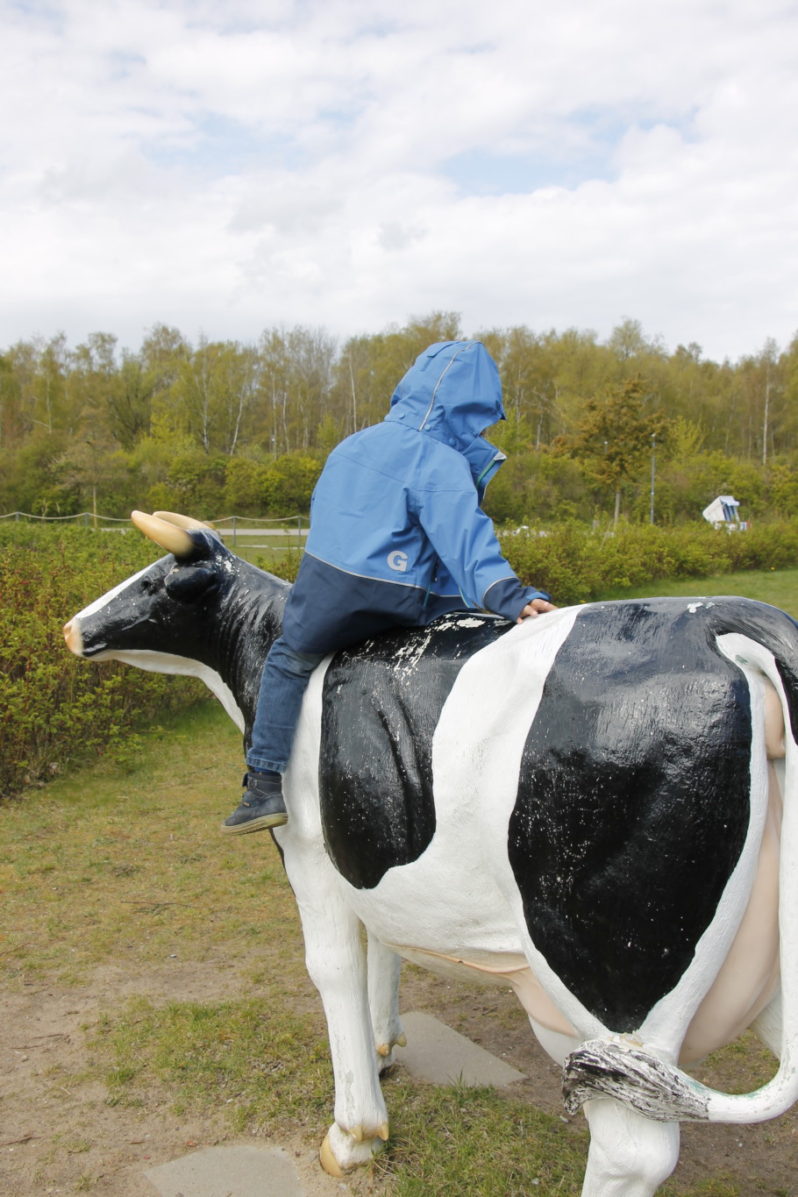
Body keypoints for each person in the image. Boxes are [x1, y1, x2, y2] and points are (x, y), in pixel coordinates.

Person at [222, 340, 555, 834]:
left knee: (288, 658)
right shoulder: (441, 461)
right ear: (472, 410)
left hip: (329, 592)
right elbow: (464, 543)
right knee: (475, 629)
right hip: (405, 598)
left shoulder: (352, 444)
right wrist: (512, 597)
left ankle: (264, 785)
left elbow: (327, 522)